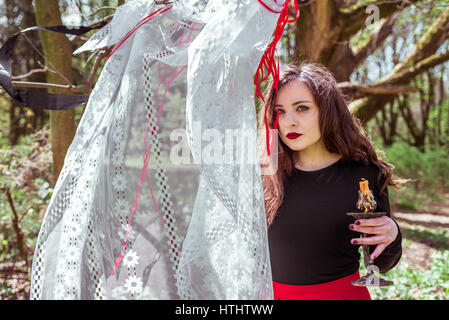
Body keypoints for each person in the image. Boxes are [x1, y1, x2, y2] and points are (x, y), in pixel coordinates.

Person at [259, 61, 405, 300]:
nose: (289, 121)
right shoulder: (265, 173)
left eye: (302, 108)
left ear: (327, 110)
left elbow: (382, 261)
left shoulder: (365, 172)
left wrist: (392, 234)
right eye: (279, 111)